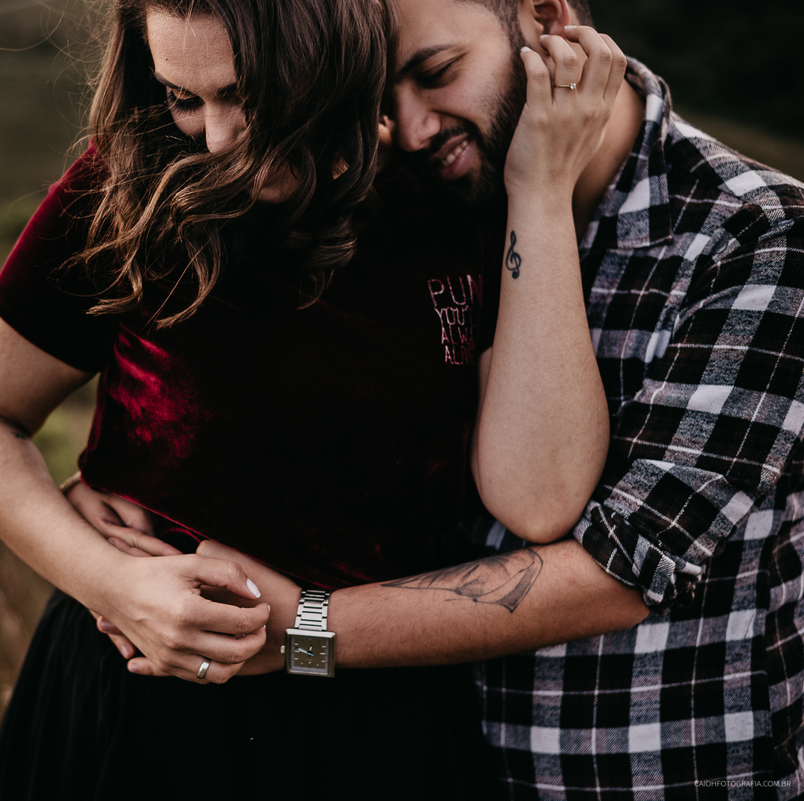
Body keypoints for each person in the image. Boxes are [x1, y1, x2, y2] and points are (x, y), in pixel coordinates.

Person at [77, 0, 804, 797]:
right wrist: (137, 472)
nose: (414, 131)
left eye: (436, 73)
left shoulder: (758, 239)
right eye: (383, 101)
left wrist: (303, 633)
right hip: (452, 761)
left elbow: (620, 570)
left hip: (657, 773)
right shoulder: (434, 206)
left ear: (545, 15)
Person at [0, 0, 625, 796]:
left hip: (371, 720)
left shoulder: (449, 197)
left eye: (248, 94)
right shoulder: (130, 185)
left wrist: (538, 193)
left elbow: (540, 501)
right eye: (184, 97)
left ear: (329, 53)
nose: (217, 138)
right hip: (137, 700)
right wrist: (111, 582)